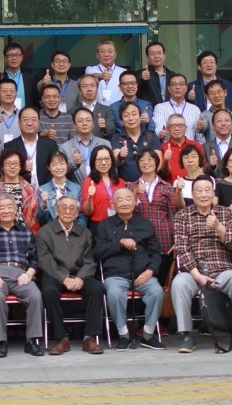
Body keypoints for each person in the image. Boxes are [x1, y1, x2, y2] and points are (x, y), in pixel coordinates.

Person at [171, 175, 232, 353]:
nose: (203, 194)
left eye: (207, 190)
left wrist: (218, 227)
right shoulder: (182, 216)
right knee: (178, 284)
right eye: (199, 191)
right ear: (192, 194)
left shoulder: (224, 213)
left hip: (222, 269)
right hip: (193, 271)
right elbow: (182, 249)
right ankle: (187, 335)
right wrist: (198, 276)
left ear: (213, 194)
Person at [95, 188, 165, 351]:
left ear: (134, 202)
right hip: (116, 275)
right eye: (119, 200)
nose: (125, 203)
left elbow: (155, 253)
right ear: (112, 204)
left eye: (128, 199)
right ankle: (123, 334)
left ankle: (148, 334)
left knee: (157, 292)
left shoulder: (145, 224)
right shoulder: (104, 226)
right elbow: (98, 252)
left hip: (143, 274)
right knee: (114, 293)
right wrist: (119, 243)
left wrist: (150, 271)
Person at [37, 195, 104, 355]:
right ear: (57, 211)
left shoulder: (85, 233)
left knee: (96, 288)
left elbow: (90, 261)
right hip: (55, 275)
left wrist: (80, 277)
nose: (68, 211)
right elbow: (45, 261)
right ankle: (61, 338)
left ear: (77, 213)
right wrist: (63, 278)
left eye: (72, 208)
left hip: (79, 274)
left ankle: (89, 337)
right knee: (48, 291)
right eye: (64, 207)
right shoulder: (45, 232)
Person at [0, 193, 44, 358]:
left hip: (21, 274)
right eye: (2, 208)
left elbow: (34, 259)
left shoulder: (26, 233)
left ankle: (32, 341)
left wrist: (29, 274)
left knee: (35, 295)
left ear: (16, 210)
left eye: (10, 207)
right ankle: (1, 342)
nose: (6, 211)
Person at [130, 149, 183, 285]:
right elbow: (126, 213)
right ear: (138, 165)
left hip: (163, 240)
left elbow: (174, 216)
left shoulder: (167, 187)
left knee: (163, 282)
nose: (146, 162)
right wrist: (135, 194)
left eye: (150, 159)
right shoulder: (130, 187)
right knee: (141, 282)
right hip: (138, 241)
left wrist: (177, 240)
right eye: (142, 160)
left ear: (157, 163)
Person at [4, 106, 59, 187]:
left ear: (39, 123)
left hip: (47, 191)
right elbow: (6, 172)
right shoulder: (10, 146)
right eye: (25, 119)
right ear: (19, 123)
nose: (30, 123)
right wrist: (23, 168)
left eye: (34, 119)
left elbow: (56, 169)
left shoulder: (50, 145)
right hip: (20, 191)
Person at [60, 107, 111, 186]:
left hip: (101, 188)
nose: (84, 123)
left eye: (88, 120)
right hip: (77, 190)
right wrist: (73, 163)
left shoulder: (105, 144)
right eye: (80, 121)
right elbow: (60, 173)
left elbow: (113, 170)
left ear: (93, 124)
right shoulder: (64, 148)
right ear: (74, 125)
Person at [0, 149, 39, 234]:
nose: (12, 167)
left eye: (16, 163)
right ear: (2, 166)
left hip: (25, 235)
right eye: (8, 164)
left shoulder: (30, 189)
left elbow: (35, 216)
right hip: (0, 235)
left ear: (21, 166)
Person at [81, 145, 127, 231]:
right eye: (99, 160)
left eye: (107, 159)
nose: (103, 163)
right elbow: (88, 212)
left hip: (119, 224)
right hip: (99, 226)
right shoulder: (89, 182)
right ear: (93, 162)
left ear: (112, 160)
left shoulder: (120, 182)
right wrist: (90, 197)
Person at [112, 102, 161, 182]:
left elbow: (159, 163)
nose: (131, 118)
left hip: (150, 183)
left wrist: (146, 181)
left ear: (140, 116)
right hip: (126, 185)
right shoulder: (117, 138)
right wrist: (121, 156)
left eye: (134, 114)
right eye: (126, 115)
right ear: (121, 121)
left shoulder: (151, 136)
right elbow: (116, 162)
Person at [37, 151, 87, 227]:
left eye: (62, 164)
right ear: (48, 167)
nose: (59, 167)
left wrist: (77, 231)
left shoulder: (77, 188)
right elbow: (41, 220)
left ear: (67, 165)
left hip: (73, 231)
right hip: (51, 232)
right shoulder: (42, 190)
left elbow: (81, 216)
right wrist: (44, 206)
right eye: (54, 164)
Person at [153, 74, 205, 144]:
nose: (177, 87)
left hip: (189, 149)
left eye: (181, 84)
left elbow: (201, 141)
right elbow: (158, 131)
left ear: (186, 88)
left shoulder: (195, 109)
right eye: (174, 84)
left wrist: (199, 130)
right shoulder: (160, 108)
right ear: (169, 88)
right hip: (169, 148)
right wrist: (160, 134)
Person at [0, 43, 39, 109]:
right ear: (5, 58)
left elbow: (35, 102)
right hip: (4, 114)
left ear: (21, 57)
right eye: (10, 55)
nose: (14, 58)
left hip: (25, 114)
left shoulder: (30, 78)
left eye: (17, 55)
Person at [202, 110, 232, 178]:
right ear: (213, 126)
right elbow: (201, 171)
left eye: (227, 120)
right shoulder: (205, 147)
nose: (223, 124)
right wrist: (210, 165)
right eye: (219, 121)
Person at [160, 114, 204, 184]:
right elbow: (164, 173)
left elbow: (202, 167)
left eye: (180, 125)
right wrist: (166, 160)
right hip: (172, 187)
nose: (177, 128)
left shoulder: (196, 145)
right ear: (167, 129)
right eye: (173, 126)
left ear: (185, 128)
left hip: (195, 185)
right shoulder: (163, 147)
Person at [85, 40, 126, 105]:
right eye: (102, 52)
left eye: (110, 51)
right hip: (98, 109)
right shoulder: (90, 69)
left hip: (118, 108)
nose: (106, 54)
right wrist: (100, 76)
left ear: (115, 54)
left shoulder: (123, 71)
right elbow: (90, 77)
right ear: (97, 55)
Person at [77, 74, 116, 140]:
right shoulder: (72, 112)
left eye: (92, 85)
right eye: (85, 86)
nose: (89, 89)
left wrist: (105, 127)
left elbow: (112, 131)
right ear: (80, 91)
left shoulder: (107, 110)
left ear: (97, 89)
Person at [136, 41, 175, 106]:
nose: (156, 56)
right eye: (152, 54)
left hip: (170, 110)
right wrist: (143, 81)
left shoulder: (172, 75)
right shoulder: (140, 74)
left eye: (159, 53)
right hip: (149, 110)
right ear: (147, 57)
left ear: (164, 56)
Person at [0, 78, 22, 144]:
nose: (8, 94)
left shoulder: (22, 115)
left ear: (16, 94)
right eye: (4, 91)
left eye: (12, 91)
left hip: (18, 150)